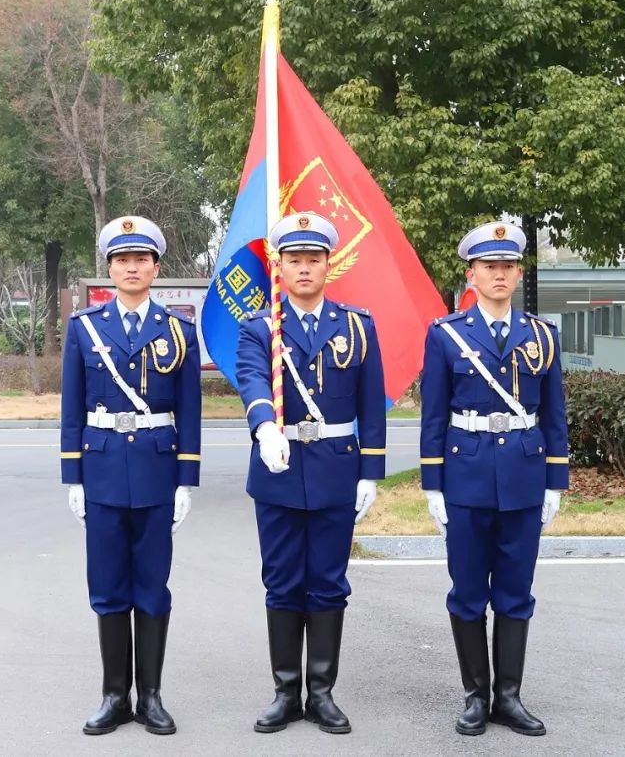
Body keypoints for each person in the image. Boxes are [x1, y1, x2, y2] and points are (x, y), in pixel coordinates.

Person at [235, 211, 386, 735]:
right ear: (278, 266)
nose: (303, 268)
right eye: (293, 259)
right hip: (277, 467)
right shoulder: (260, 328)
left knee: (327, 583)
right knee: (281, 583)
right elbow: (253, 379)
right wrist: (264, 427)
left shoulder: (356, 327)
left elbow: (373, 405)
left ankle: (321, 692)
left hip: (335, 469)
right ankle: (285, 691)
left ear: (329, 264)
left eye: (312, 259)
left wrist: (371, 471)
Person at [419, 218, 569, 737]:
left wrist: (555, 482)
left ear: (519, 272)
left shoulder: (543, 336)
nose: (499, 274)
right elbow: (433, 416)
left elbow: (554, 414)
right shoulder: (446, 336)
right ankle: (475, 695)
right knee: (466, 591)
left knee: (515, 592)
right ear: (472, 274)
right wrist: (433, 485)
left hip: (525, 477)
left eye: (507, 266)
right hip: (466, 476)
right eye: (489, 266)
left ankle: (509, 696)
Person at [59, 215, 201, 737]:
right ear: (110, 268)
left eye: (142, 259)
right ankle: (114, 695)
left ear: (156, 267)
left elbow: (190, 408)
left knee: (153, 586)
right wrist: (71, 477)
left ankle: (152, 697)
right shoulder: (85, 328)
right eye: (123, 259)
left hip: (157, 471)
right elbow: (71, 408)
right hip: (100, 469)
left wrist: (187, 479)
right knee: (107, 586)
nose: (132, 267)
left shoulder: (179, 330)